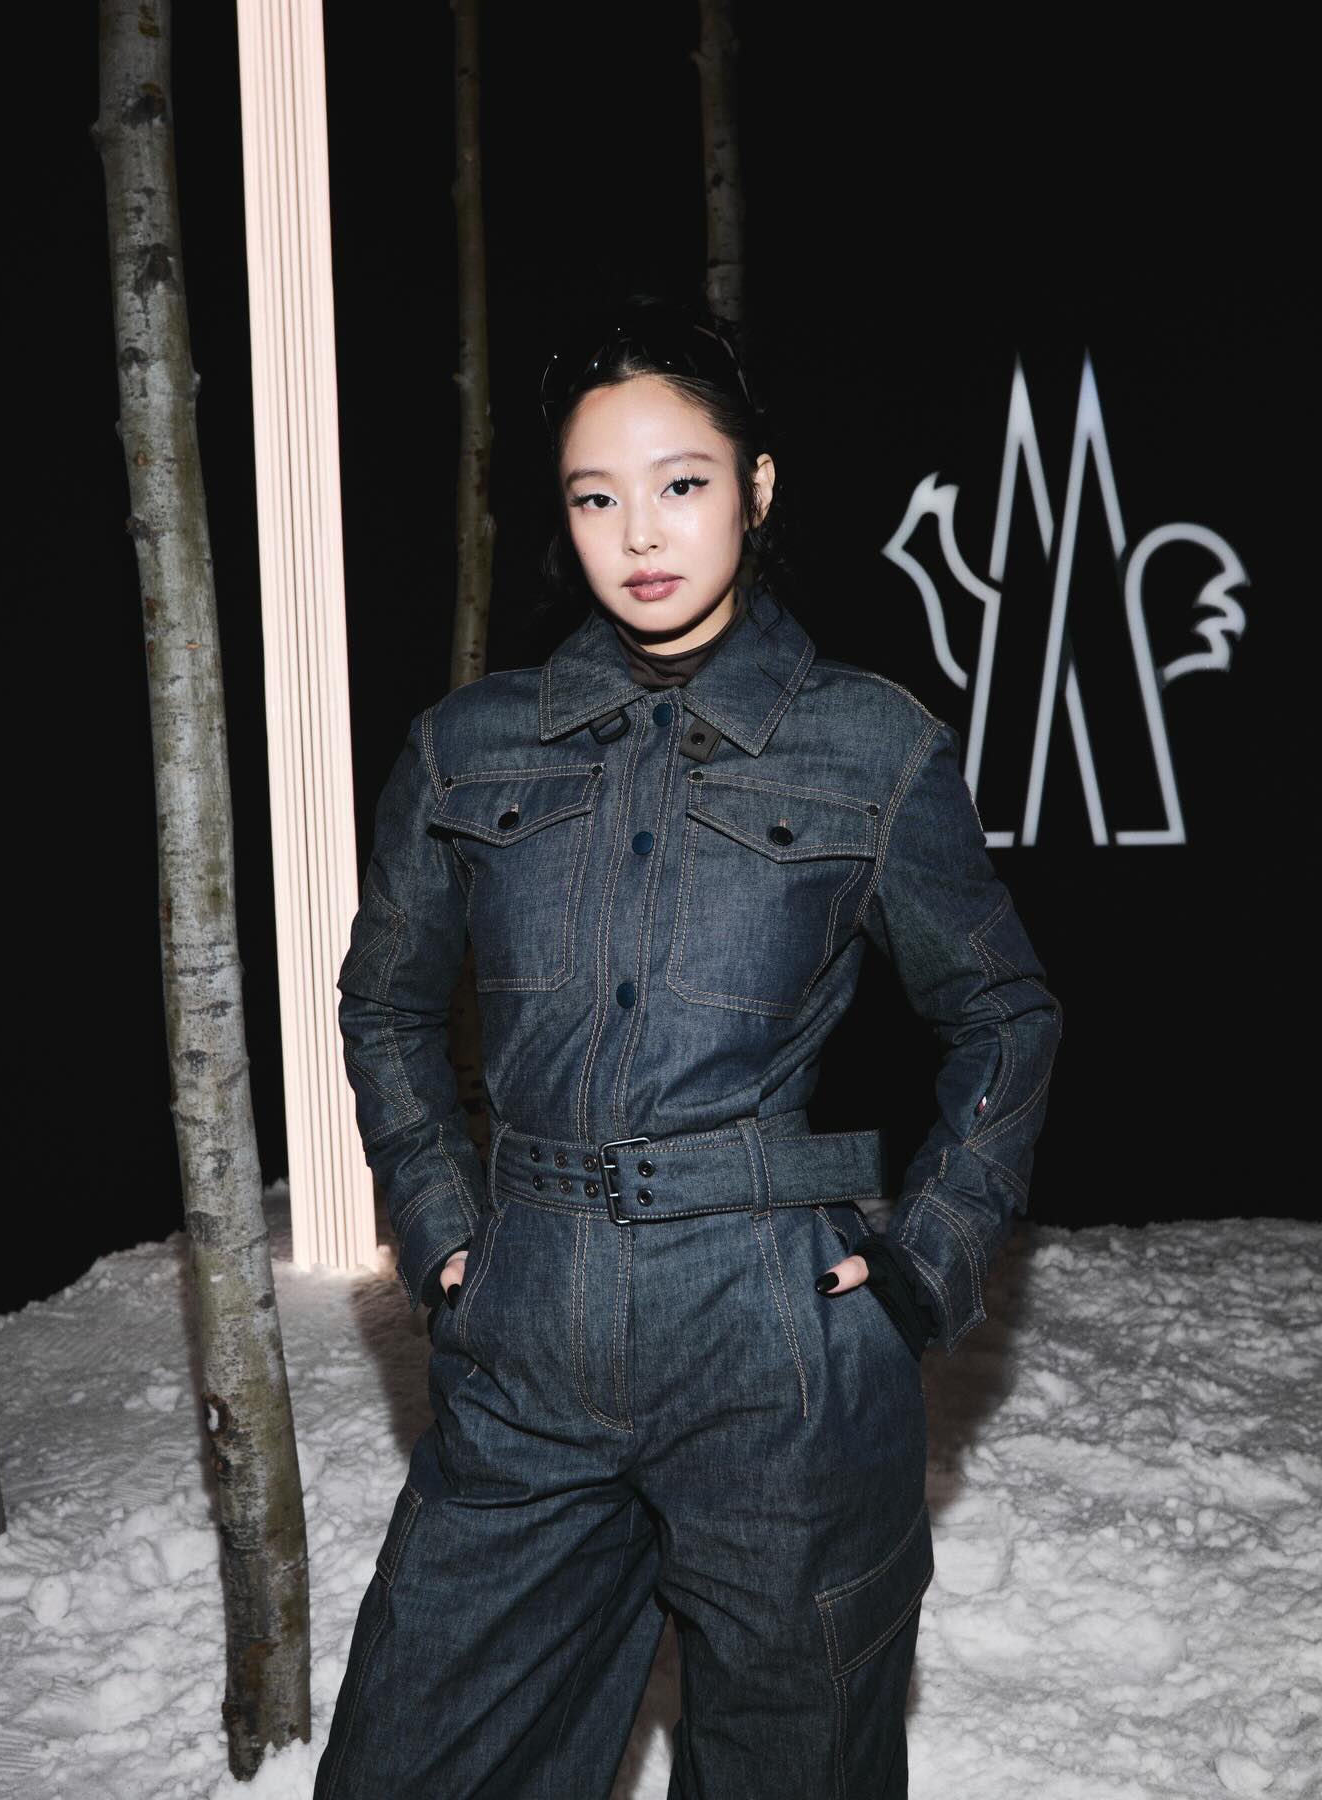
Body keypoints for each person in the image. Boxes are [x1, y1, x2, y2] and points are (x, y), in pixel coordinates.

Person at [313, 297, 1063, 1800]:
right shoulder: (469, 745)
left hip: (776, 1348)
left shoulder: (872, 745)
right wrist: (445, 1228)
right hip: (527, 1334)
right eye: (596, 497)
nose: (640, 533)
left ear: (757, 488)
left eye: (682, 483)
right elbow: (385, 1005)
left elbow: (1005, 1014)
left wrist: (924, 1263)